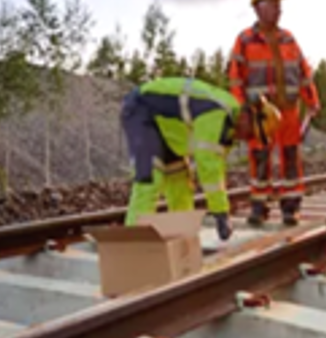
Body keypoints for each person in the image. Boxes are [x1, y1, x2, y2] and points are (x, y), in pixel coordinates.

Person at [119, 77, 277, 240]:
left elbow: (215, 168)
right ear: (247, 116)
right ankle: (133, 242)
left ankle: (182, 240)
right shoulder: (217, 116)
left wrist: (220, 210)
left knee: (180, 183)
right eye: (250, 133)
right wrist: (221, 213)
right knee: (150, 179)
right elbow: (208, 167)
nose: (246, 139)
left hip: (168, 130)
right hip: (142, 111)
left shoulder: (228, 127)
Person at [227, 0, 322, 228]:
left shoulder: (288, 39)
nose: (279, 9)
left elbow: (303, 72)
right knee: (259, 158)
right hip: (260, 112)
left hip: (288, 109)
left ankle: (291, 208)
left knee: (290, 158)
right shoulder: (245, 40)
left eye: (279, 4)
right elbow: (235, 78)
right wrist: (241, 109)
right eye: (273, 4)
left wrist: (312, 100)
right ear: (258, 8)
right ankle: (259, 207)